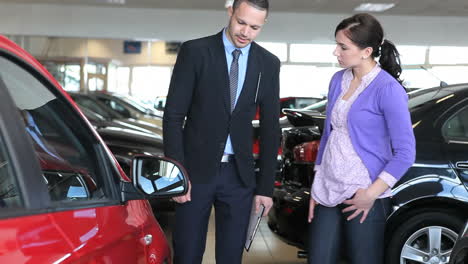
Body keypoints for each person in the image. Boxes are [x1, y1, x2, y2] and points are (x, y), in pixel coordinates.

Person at [162, 0, 280, 263]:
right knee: (187, 254)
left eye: (254, 27)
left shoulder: (268, 63)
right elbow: (172, 117)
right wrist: (176, 176)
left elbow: (272, 129)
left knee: (230, 257)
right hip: (194, 174)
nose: (246, 32)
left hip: (239, 178)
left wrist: (265, 188)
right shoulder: (195, 51)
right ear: (230, 11)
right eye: (241, 22)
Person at [307, 13, 416, 264]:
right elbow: (329, 135)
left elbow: (405, 153)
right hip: (328, 189)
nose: (336, 52)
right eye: (336, 44)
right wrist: (317, 185)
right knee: (318, 259)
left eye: (343, 47)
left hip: (364, 193)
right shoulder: (338, 80)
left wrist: (371, 194)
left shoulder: (388, 89)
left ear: (366, 51)